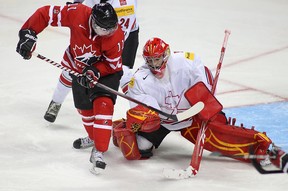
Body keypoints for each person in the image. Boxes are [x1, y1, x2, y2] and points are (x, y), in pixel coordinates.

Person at [112, 37, 273, 166]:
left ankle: (256, 147)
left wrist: (204, 97)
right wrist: (147, 118)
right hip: (163, 122)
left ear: (165, 54)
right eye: (150, 61)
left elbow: (202, 79)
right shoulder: (141, 79)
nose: (155, 65)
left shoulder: (185, 62)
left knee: (219, 132)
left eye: (158, 59)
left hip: (191, 117)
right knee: (138, 149)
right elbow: (144, 105)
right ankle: (120, 127)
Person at [16, 2, 125, 175]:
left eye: (113, 28)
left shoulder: (115, 35)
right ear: (94, 23)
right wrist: (29, 33)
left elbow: (112, 65)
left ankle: (99, 150)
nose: (110, 32)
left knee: (103, 104)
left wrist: (96, 71)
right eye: (106, 30)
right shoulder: (77, 13)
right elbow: (46, 14)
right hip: (78, 68)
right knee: (84, 108)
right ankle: (93, 138)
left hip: (106, 73)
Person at [44, 0, 139, 123]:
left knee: (124, 74)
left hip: (122, 38)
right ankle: (56, 102)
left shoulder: (126, 4)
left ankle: (139, 114)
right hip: (97, 36)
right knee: (73, 69)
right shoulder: (88, 6)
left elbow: (120, 32)